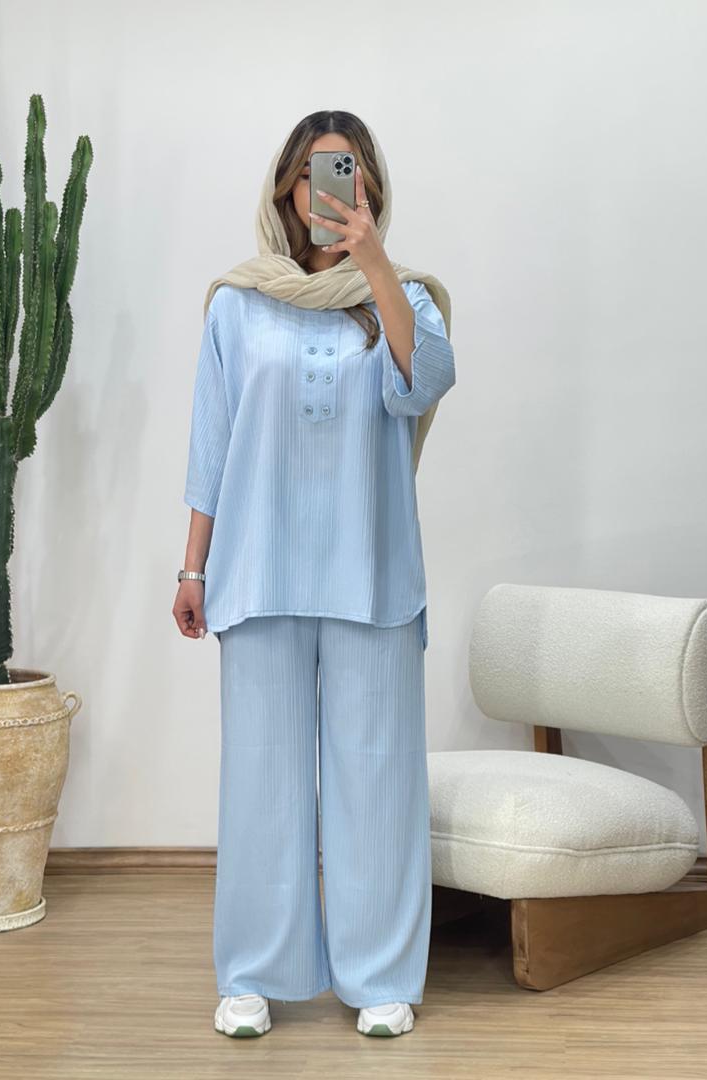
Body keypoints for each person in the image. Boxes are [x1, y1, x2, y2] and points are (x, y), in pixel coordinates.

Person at [173, 110, 456, 1039]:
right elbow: (212, 445)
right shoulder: (237, 302)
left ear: (369, 186)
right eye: (314, 173)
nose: (331, 189)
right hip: (258, 572)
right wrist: (191, 567)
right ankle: (254, 972)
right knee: (261, 779)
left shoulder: (403, 297)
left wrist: (373, 263)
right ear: (287, 190)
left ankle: (381, 976)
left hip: (372, 573)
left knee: (377, 777)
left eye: (348, 172)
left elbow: (425, 382)